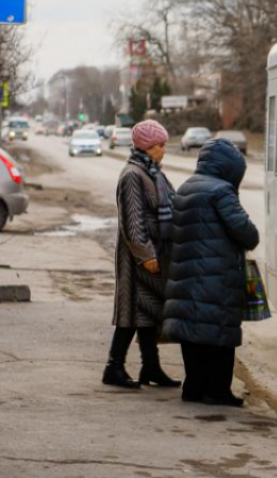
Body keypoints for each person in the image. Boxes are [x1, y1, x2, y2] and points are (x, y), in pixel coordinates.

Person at [163, 138, 260, 407]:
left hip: (185, 274)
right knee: (220, 335)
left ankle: (193, 387)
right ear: (229, 168)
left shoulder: (185, 187)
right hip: (215, 277)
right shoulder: (221, 191)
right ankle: (218, 391)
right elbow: (247, 233)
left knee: (192, 333)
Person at [102, 120, 181, 390]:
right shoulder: (132, 175)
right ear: (148, 146)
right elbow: (131, 222)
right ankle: (114, 367)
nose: (164, 150)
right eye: (161, 145)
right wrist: (146, 255)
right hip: (137, 258)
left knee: (149, 314)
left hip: (155, 254)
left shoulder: (153, 172)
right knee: (131, 314)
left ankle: (151, 366)